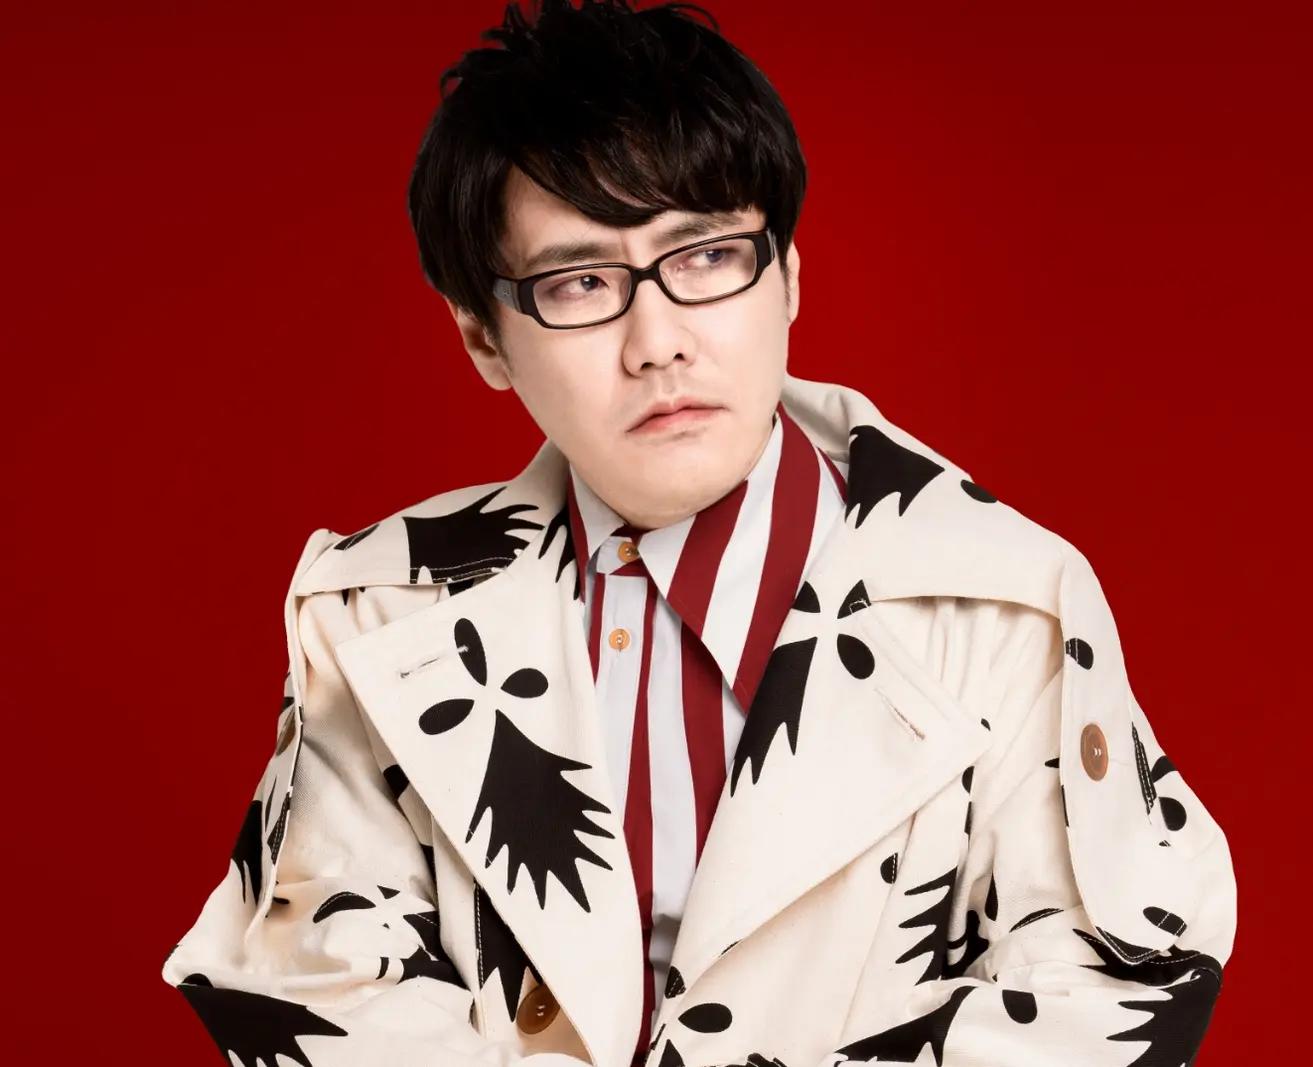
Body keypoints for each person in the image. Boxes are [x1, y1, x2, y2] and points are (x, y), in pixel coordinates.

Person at [162, 1, 1237, 1065]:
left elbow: (1110, 988)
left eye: (707, 257)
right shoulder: (376, 614)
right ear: (484, 337)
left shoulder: (1004, 604)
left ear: (787, 276)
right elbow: (316, 977)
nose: (658, 341)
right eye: (580, 282)